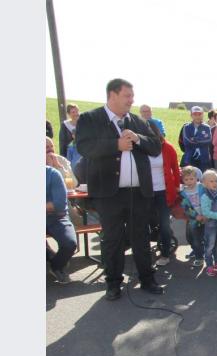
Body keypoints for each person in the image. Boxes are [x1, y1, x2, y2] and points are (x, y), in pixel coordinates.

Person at [76, 78, 163, 300]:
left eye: (132, 96)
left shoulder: (136, 120)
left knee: (141, 237)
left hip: (138, 192)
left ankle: (147, 279)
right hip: (108, 194)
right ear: (112, 95)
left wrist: (138, 138)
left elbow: (155, 146)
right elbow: (84, 147)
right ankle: (113, 283)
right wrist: (116, 145)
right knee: (112, 239)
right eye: (127, 96)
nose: (131, 101)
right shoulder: (90, 118)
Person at [147, 122, 181, 267]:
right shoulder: (140, 148)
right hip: (145, 192)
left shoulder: (167, 147)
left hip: (163, 191)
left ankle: (165, 253)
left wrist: (177, 186)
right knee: (144, 224)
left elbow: (175, 167)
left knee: (164, 224)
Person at [46, 165, 76, 284]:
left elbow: (59, 204)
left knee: (70, 244)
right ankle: (48, 254)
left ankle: (56, 266)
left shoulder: (52, 174)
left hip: (57, 217)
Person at [180, 166, 206, 268]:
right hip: (193, 219)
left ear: (196, 178)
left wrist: (206, 213)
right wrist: (195, 216)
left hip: (204, 217)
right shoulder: (183, 193)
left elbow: (207, 200)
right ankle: (196, 250)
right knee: (190, 237)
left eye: (191, 179)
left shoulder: (201, 188)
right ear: (183, 180)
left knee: (198, 239)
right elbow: (186, 207)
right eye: (186, 179)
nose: (189, 181)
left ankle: (199, 257)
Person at [180, 106, 213, 172]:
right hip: (190, 158)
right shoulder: (186, 127)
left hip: (204, 159)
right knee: (190, 178)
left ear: (203, 115)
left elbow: (208, 140)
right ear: (191, 115)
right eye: (195, 114)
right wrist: (201, 139)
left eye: (199, 114)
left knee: (204, 179)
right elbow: (187, 142)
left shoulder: (207, 127)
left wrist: (194, 139)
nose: (197, 116)